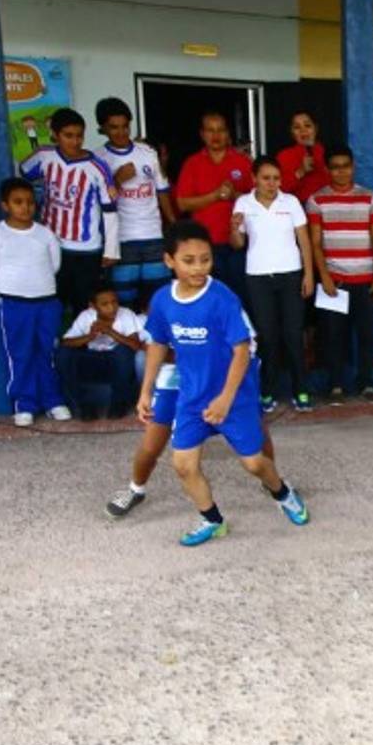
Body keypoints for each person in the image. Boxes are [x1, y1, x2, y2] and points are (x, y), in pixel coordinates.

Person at [138, 220, 309, 546]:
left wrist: (225, 399)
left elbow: (241, 351)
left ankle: (283, 493)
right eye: (189, 260)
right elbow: (158, 344)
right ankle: (212, 519)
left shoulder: (222, 299)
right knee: (183, 465)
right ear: (169, 260)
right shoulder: (162, 300)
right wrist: (146, 390)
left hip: (234, 396)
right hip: (191, 395)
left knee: (255, 463)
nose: (199, 267)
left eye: (205, 259)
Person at [105, 295, 277, 519]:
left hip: (222, 379)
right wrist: (147, 389)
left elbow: (246, 348)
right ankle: (135, 489)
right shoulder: (166, 305)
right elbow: (155, 348)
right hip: (176, 380)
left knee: (257, 431)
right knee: (151, 443)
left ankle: (273, 483)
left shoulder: (224, 301)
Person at [0, 178, 72, 426]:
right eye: (18, 202)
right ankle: (24, 404)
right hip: (14, 303)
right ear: (5, 205)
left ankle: (53, 401)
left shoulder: (44, 234)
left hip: (46, 301)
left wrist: (40, 284)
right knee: (20, 353)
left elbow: (55, 264)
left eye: (29, 202)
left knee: (46, 351)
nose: (25, 207)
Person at [230, 155, 315, 412]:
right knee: (267, 336)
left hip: (290, 274)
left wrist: (308, 274)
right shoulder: (243, 202)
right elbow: (238, 244)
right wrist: (234, 228)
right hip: (258, 277)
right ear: (254, 178)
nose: (271, 183)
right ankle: (268, 391)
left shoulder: (290, 202)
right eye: (266, 178)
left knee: (293, 333)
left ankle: (301, 390)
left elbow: (304, 240)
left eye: (276, 178)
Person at [18, 107, 119, 316]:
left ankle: (82, 345)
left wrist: (111, 249)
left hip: (87, 249)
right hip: (51, 244)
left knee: (83, 304)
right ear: (55, 134)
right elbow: (24, 173)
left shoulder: (97, 167)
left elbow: (110, 210)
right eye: (68, 136)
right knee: (53, 300)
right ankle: (53, 344)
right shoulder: (44, 156)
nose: (75, 142)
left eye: (79, 136)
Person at [307, 145, 373, 404]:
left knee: (366, 336)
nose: (341, 171)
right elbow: (315, 243)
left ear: (353, 167)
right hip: (335, 282)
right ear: (328, 170)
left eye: (346, 166)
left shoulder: (369, 198)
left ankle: (366, 382)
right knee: (333, 337)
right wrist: (325, 276)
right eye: (335, 167)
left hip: (365, 280)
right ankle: (336, 386)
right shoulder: (317, 200)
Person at [93, 97, 175, 308]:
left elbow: (162, 192)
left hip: (153, 236)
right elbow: (97, 203)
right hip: (121, 239)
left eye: (125, 126)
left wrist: (174, 226)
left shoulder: (147, 153)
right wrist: (118, 179)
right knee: (124, 301)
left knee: (158, 298)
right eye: (114, 127)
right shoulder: (97, 159)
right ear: (102, 128)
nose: (121, 132)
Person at [175, 111, 254, 302]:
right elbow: (182, 203)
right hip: (204, 245)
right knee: (210, 296)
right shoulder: (192, 163)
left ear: (228, 134)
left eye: (221, 130)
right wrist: (215, 195)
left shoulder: (242, 162)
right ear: (202, 134)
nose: (216, 135)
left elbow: (258, 200)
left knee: (240, 295)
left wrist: (234, 194)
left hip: (239, 243)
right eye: (210, 130)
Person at [57, 285, 141, 419]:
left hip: (117, 362)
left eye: (114, 302)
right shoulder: (86, 316)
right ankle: (82, 405)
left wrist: (110, 332)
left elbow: (136, 345)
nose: (112, 307)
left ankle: (118, 403)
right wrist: (89, 337)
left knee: (123, 352)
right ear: (93, 306)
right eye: (105, 304)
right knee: (64, 353)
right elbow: (65, 342)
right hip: (93, 359)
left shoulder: (125, 314)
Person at [276, 110, 330, 205]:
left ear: (316, 128)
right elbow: (276, 189)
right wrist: (300, 172)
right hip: (297, 209)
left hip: (326, 207)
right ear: (291, 132)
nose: (303, 130)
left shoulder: (328, 154)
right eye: (297, 127)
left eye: (307, 126)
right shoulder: (284, 156)